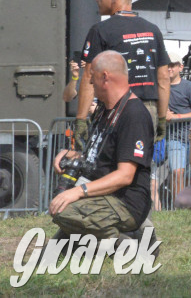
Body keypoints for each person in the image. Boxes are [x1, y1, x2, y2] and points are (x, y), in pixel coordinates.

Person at [49, 51, 153, 243]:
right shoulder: (104, 110)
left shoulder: (134, 115)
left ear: (105, 77)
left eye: (92, 77)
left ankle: (131, 245)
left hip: (125, 202)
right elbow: (101, 154)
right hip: (104, 196)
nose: (89, 84)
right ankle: (131, 236)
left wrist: (78, 191)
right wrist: (70, 154)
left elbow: (125, 175)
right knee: (60, 205)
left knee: (64, 211)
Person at [76, 0, 170, 151]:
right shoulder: (153, 30)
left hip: (116, 109)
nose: (96, 0)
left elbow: (88, 76)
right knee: (140, 167)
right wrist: (162, 118)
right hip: (147, 110)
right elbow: (164, 78)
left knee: (109, 166)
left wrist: (81, 119)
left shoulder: (100, 30)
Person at [164, 51, 191, 206]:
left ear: (180, 67)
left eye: (172, 65)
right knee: (176, 172)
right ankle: (180, 206)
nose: (169, 68)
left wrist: (176, 117)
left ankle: (190, 205)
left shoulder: (189, 86)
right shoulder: (160, 87)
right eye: (166, 65)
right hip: (173, 138)